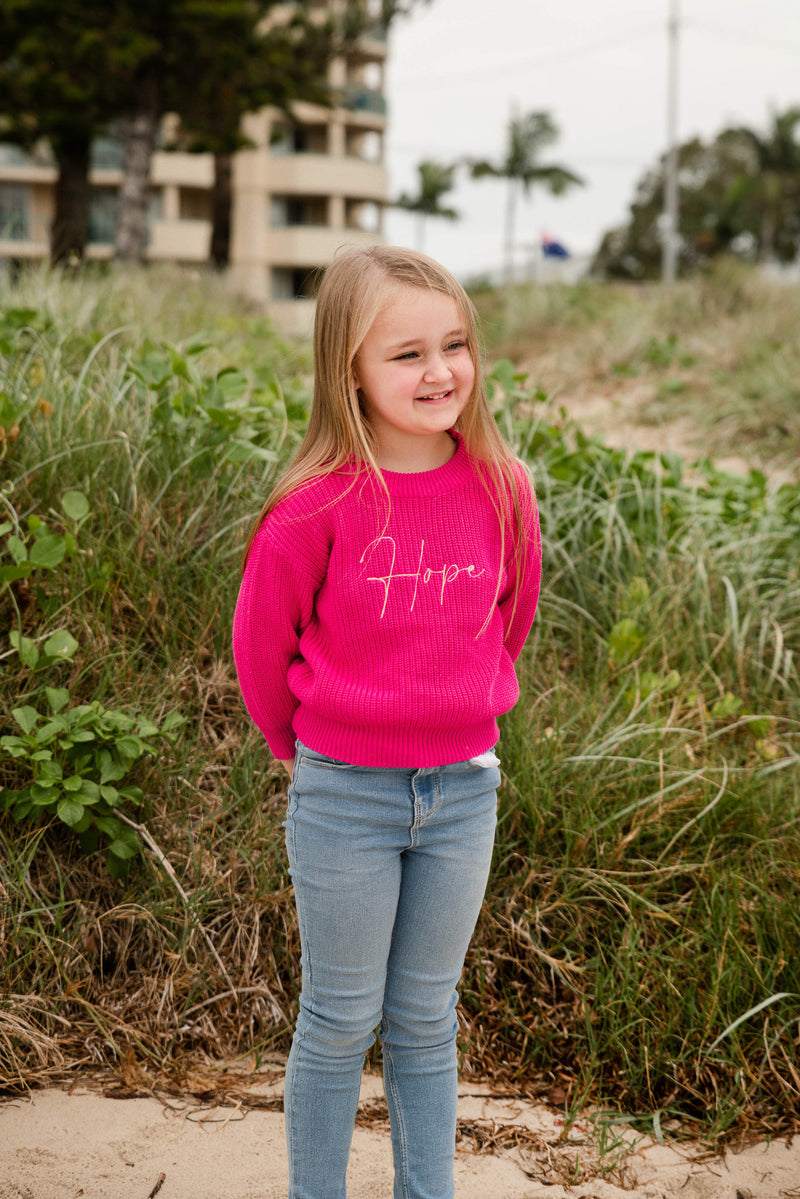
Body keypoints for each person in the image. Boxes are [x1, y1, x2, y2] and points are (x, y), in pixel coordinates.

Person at [232, 245, 541, 1199]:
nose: (439, 371)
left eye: (454, 344)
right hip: (343, 797)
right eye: (406, 354)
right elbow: (259, 651)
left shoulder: (503, 489)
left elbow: (509, 620)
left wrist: (461, 712)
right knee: (337, 1017)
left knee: (425, 1018)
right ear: (349, 371)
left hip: (462, 795)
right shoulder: (311, 507)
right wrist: (316, 751)